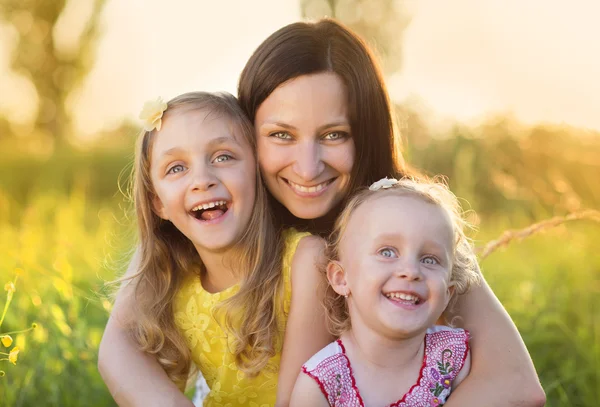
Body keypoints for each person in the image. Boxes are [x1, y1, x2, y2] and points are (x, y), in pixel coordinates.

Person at [99, 19, 545, 407]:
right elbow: (118, 344)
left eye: (334, 135)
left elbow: (516, 385)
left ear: (366, 134)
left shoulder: (409, 221)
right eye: (280, 134)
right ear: (245, 134)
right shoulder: (218, 216)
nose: (308, 167)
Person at [99, 91, 331, 406]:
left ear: (257, 170)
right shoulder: (174, 283)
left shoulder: (306, 261)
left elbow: (300, 400)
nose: (202, 180)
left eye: (223, 157)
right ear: (158, 203)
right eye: (176, 168)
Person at [290, 177, 479, 406]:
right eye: (387, 252)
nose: (411, 271)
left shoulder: (453, 357)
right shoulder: (321, 384)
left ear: (447, 294)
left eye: (429, 259)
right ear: (341, 278)